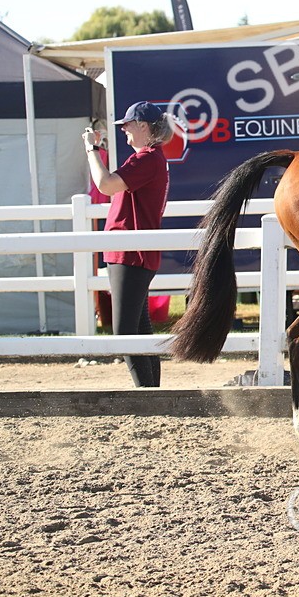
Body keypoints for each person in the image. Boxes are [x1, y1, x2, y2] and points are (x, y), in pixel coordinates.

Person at [83, 101, 171, 387]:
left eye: (128, 125)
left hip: (130, 254)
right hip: (133, 253)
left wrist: (91, 150)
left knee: (125, 333)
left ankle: (146, 394)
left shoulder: (146, 159)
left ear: (144, 126)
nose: (124, 130)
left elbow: (105, 185)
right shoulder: (150, 158)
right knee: (139, 329)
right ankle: (152, 393)